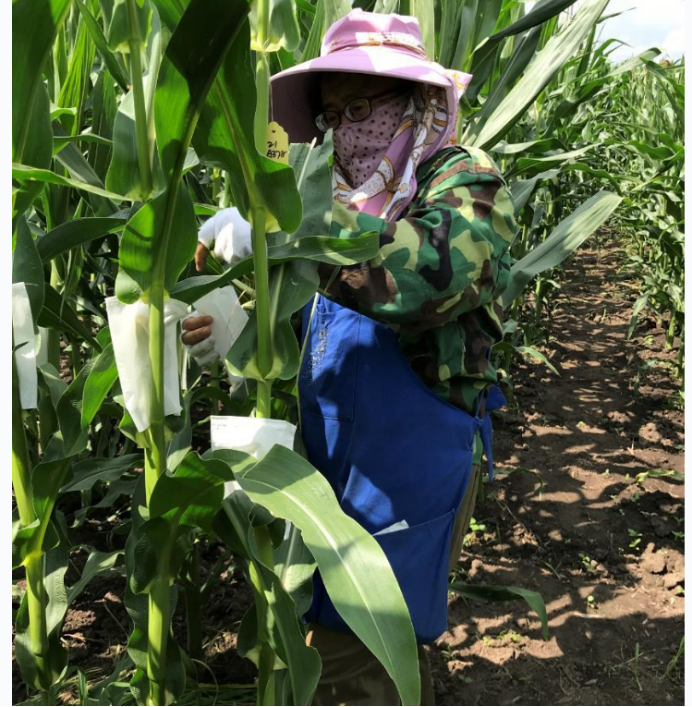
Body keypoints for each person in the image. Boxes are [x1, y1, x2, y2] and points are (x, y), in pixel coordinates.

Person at [182, 9, 516, 706]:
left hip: (410, 467)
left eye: (361, 105)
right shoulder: (332, 198)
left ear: (418, 101)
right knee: (328, 635)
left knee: (359, 650)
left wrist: (285, 234)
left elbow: (429, 279)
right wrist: (237, 327)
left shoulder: (463, 180)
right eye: (332, 115)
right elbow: (305, 330)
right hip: (324, 463)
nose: (345, 128)